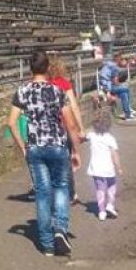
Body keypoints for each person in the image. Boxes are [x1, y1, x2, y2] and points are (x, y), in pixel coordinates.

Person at [7, 51, 82, 257]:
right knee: (61, 188)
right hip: (57, 145)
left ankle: (47, 244)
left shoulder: (22, 92)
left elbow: (11, 122)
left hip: (35, 147)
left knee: (42, 193)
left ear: (30, 68)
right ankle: (60, 230)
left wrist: (23, 146)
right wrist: (75, 149)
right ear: (48, 67)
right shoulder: (57, 91)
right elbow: (70, 123)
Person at [48, 57, 85, 205]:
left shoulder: (45, 85)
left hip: (49, 129)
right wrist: (80, 128)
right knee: (66, 161)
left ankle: (54, 191)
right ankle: (71, 194)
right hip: (64, 127)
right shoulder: (64, 84)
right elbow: (74, 107)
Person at [87, 104, 123, 221]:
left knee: (100, 189)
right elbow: (114, 154)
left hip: (96, 169)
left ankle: (101, 211)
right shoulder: (110, 138)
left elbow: (82, 135)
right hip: (108, 169)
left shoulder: (91, 136)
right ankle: (110, 205)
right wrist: (119, 167)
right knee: (112, 186)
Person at [99, 56, 136, 121]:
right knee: (126, 89)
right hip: (106, 87)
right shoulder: (114, 67)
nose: (125, 63)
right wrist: (120, 85)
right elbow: (115, 81)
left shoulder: (109, 64)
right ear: (119, 60)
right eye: (124, 61)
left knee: (124, 94)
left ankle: (127, 114)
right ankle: (128, 111)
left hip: (105, 85)